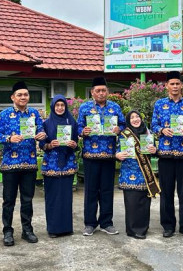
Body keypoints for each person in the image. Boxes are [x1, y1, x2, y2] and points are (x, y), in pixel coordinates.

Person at [0, 81, 46, 246]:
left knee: (27, 199)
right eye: (20, 95)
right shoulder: (4, 114)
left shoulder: (34, 114)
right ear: (13, 97)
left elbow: (41, 129)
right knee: (8, 200)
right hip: (10, 164)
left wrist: (41, 134)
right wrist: (9, 138)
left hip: (29, 163)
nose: (23, 97)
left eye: (25, 94)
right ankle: (7, 231)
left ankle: (27, 230)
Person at [151, 70, 183, 238]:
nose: (175, 86)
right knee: (167, 191)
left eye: (178, 83)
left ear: (181, 86)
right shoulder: (159, 104)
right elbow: (153, 125)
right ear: (167, 86)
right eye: (172, 84)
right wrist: (162, 129)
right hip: (166, 153)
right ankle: (168, 226)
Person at [77, 76, 125, 236]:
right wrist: (82, 132)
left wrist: (119, 130)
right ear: (92, 92)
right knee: (91, 190)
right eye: (98, 90)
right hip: (91, 156)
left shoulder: (115, 108)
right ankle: (90, 223)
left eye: (103, 90)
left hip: (109, 155)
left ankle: (106, 222)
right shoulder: (84, 108)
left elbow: (124, 125)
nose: (101, 93)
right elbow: (78, 127)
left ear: (108, 91)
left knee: (107, 190)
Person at [116, 110, 160, 239]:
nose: (136, 119)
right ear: (128, 121)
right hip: (129, 171)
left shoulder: (147, 133)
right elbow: (117, 150)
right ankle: (132, 230)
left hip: (145, 172)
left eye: (138, 117)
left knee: (144, 202)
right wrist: (117, 155)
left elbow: (154, 150)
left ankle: (143, 229)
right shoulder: (124, 134)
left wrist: (154, 150)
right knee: (132, 202)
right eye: (132, 118)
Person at [40, 95, 78, 238]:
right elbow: (42, 144)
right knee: (52, 197)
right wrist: (50, 145)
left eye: (62, 105)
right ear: (53, 107)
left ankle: (67, 228)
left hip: (67, 163)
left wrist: (74, 144)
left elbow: (75, 141)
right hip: (51, 164)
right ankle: (53, 229)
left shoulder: (72, 121)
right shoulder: (47, 123)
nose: (60, 108)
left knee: (66, 197)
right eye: (57, 105)